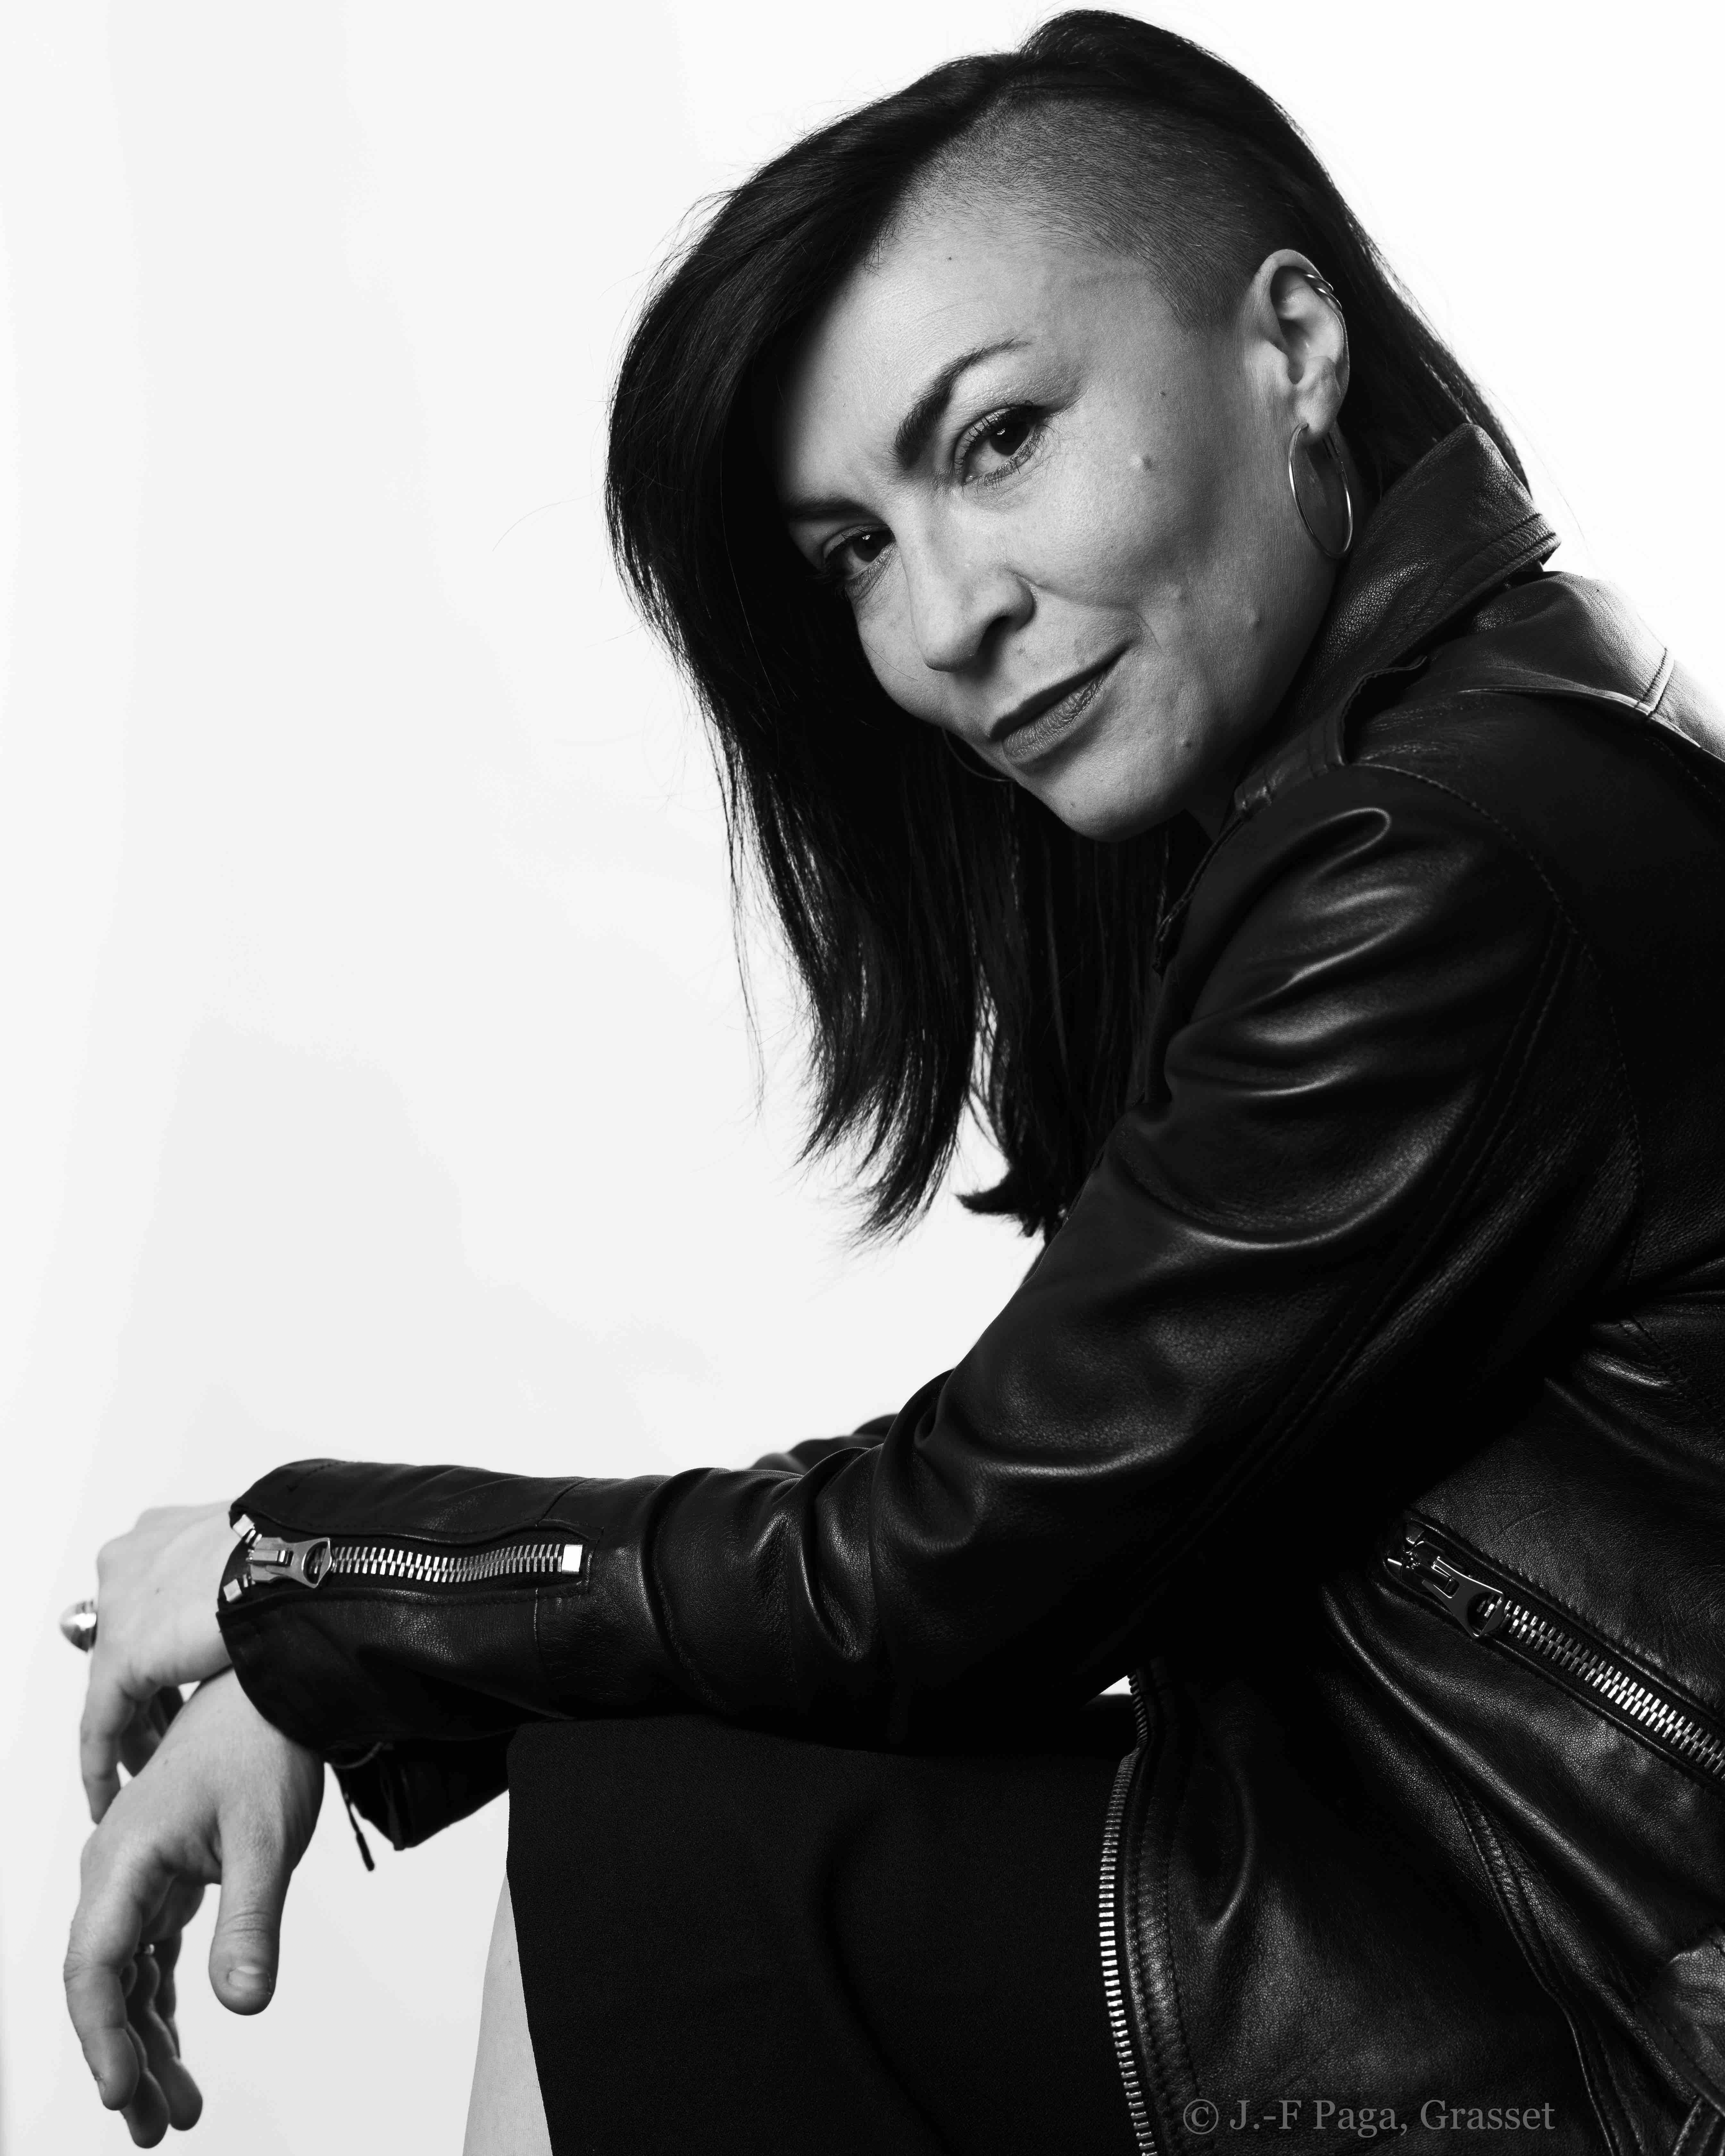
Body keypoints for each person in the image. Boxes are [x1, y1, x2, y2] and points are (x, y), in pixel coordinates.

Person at [61, 12, 1725, 2152]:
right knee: (679, 1831)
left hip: (1631, 2053)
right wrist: (347, 1658)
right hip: (1504, 1929)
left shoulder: (1441, 867)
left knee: (669, 1865)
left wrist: (308, 1583)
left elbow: (951, 1567)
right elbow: (1036, 1525)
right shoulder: (1469, 741)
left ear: (1290, 347)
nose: (942, 619)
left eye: (1000, 438)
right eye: (851, 546)